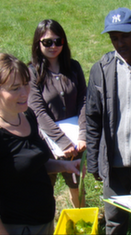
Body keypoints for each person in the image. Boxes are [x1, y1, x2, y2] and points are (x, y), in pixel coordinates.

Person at [0, 53, 81, 235]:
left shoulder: (27, 115)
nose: (24, 93)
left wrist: (65, 165)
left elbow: (36, 163)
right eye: (14, 88)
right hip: (17, 228)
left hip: (44, 221)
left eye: (26, 84)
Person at [86, 7, 131, 234]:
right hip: (114, 163)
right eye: (114, 38)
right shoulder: (101, 69)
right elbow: (93, 118)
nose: (120, 43)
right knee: (114, 220)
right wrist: (95, 159)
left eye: (125, 36)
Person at [27, 19, 87, 208]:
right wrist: (62, 141)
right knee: (45, 188)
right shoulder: (31, 72)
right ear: (38, 43)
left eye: (58, 41)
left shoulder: (74, 67)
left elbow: (84, 102)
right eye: (47, 42)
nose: (53, 46)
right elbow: (37, 111)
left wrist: (83, 135)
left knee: (77, 185)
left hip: (76, 143)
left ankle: (80, 219)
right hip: (47, 143)